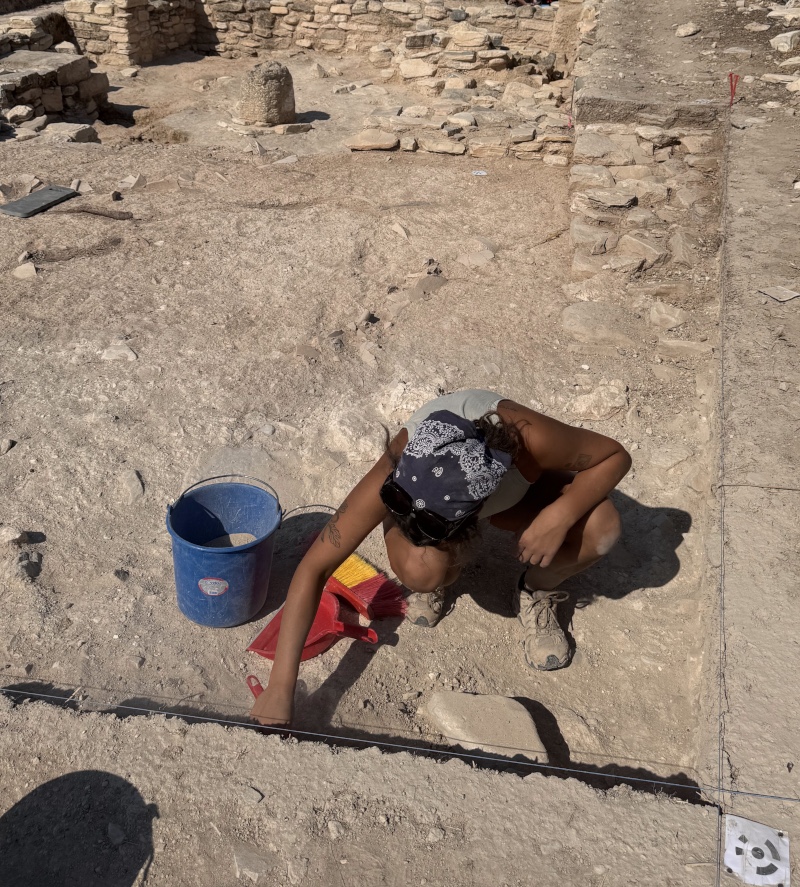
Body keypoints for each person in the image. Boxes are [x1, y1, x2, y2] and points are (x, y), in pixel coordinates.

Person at [251, 390, 631, 726]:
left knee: (601, 528)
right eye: (400, 509)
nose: (411, 527)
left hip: (511, 485)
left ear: (469, 527)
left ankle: (535, 588)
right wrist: (281, 687)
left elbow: (615, 456)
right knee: (423, 570)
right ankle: (438, 568)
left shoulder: (534, 439)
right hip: (473, 497)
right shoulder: (404, 461)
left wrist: (560, 515)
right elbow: (315, 567)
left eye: (431, 529)